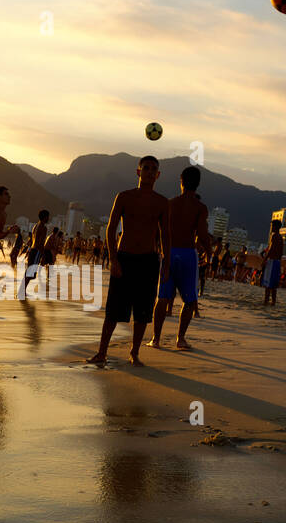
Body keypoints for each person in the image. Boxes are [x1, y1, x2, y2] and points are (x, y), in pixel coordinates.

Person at [87, 156, 170, 366]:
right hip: (124, 258)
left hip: (148, 261)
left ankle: (134, 352)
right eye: (146, 168)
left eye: (154, 170)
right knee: (114, 309)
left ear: (158, 175)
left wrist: (166, 262)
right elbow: (111, 228)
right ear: (138, 172)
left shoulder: (161, 202)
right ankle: (102, 352)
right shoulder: (124, 197)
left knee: (143, 310)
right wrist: (113, 259)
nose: (150, 172)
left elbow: (165, 235)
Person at [149, 166, 210, 350]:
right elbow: (202, 232)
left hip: (169, 252)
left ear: (181, 181)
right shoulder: (200, 207)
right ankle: (180, 339)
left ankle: (156, 339)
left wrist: (157, 249)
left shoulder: (169, 203)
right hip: (188, 254)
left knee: (162, 297)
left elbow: (158, 231)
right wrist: (209, 252)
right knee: (190, 300)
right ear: (198, 184)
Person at [262, 221, 283, 304]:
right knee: (274, 284)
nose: (271, 227)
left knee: (268, 283)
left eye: (272, 226)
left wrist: (264, 259)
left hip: (272, 261)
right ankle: (273, 301)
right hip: (277, 262)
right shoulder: (280, 237)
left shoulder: (274, 236)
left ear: (275, 227)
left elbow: (270, 249)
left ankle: (266, 300)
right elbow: (281, 252)